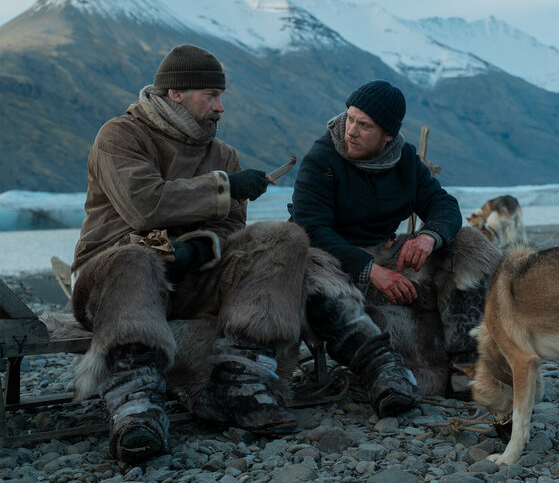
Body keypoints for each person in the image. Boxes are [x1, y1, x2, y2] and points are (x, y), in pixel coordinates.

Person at [70, 46, 419, 465]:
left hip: (189, 277)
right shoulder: (121, 135)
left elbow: (230, 232)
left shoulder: (222, 154)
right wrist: (225, 187)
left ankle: (239, 383)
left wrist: (196, 249)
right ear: (175, 93)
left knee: (284, 238)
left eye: (221, 96)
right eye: (211, 95)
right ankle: (136, 409)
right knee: (135, 259)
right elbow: (144, 205)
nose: (220, 107)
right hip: (112, 278)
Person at [291, 80, 502, 398]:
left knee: (469, 243)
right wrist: (369, 269)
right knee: (314, 267)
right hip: (331, 263)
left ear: (387, 135)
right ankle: (388, 372)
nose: (350, 131)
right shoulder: (322, 159)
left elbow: (443, 205)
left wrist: (429, 237)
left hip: (387, 253)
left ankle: (469, 364)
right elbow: (311, 229)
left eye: (364, 125)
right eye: (350, 119)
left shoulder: (404, 159)